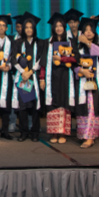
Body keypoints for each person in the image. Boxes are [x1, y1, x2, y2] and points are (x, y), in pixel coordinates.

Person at [13, 12, 46, 142]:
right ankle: (23, 132)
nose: (28, 30)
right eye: (26, 27)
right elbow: (13, 60)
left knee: (34, 106)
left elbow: (41, 60)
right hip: (23, 79)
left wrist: (30, 72)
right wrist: (23, 72)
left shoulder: (40, 43)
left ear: (34, 29)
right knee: (23, 106)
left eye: (30, 27)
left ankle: (35, 132)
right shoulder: (17, 43)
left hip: (34, 78)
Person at [43, 12, 76, 144]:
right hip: (52, 76)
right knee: (53, 103)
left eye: (61, 26)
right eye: (56, 26)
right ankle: (54, 132)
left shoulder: (70, 42)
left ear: (64, 27)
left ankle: (63, 133)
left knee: (64, 103)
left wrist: (62, 59)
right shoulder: (48, 42)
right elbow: (43, 63)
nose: (58, 28)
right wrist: (42, 78)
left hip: (65, 76)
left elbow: (76, 59)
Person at [74, 18, 99, 149]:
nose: (88, 32)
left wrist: (87, 43)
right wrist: (82, 71)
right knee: (83, 109)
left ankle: (90, 137)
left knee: (92, 108)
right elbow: (73, 64)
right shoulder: (78, 48)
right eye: (85, 30)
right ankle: (84, 134)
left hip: (94, 83)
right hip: (82, 82)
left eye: (91, 30)